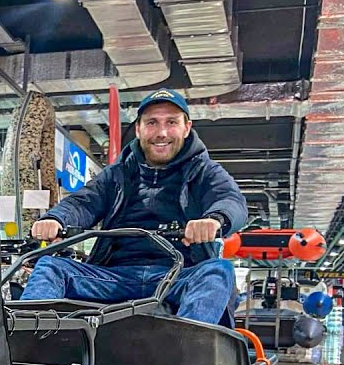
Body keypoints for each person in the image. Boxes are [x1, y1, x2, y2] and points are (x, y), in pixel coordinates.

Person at [21, 89, 247, 326]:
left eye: (171, 122)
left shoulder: (206, 171)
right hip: (115, 276)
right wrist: (56, 219)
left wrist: (215, 219)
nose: (162, 132)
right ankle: (27, 340)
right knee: (50, 267)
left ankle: (186, 347)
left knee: (218, 271)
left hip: (179, 275)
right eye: (152, 123)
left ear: (186, 128)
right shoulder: (116, 174)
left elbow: (231, 200)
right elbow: (83, 202)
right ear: (138, 129)